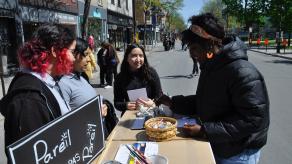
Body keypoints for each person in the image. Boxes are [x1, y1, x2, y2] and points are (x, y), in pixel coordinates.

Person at [157, 13, 270, 164]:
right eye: (190, 47)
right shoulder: (211, 66)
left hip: (238, 153)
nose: (192, 53)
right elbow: (205, 101)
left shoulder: (242, 72)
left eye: (195, 48)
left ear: (210, 44)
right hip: (220, 144)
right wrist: (172, 103)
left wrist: (205, 130)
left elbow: (254, 119)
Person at [0, 24, 76, 149]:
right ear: (54, 51)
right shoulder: (29, 100)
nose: (73, 58)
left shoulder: (47, 82)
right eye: (72, 51)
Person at [58, 38, 118, 137]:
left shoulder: (81, 76)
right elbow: (65, 124)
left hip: (98, 134)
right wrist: (94, 115)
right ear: (72, 55)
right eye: (85, 55)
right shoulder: (63, 84)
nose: (89, 59)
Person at [114, 44, 162, 116]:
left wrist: (153, 103)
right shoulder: (119, 78)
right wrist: (126, 105)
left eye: (141, 56)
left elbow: (159, 95)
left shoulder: (151, 73)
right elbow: (117, 103)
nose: (138, 59)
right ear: (127, 58)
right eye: (134, 56)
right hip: (129, 115)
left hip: (150, 114)